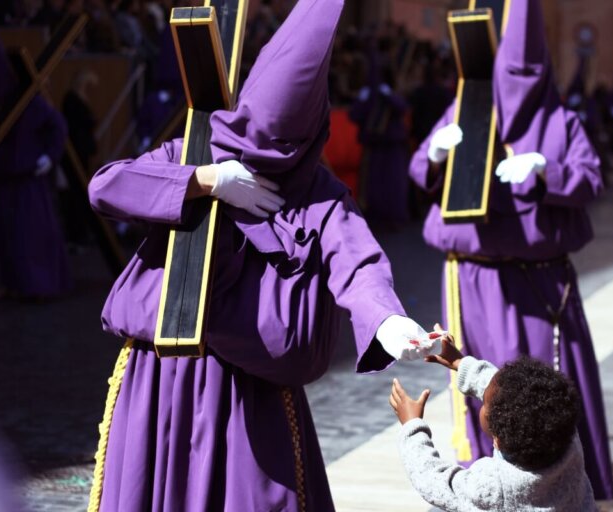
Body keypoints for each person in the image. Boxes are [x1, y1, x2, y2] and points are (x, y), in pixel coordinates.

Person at [87, 1, 434, 510]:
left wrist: (387, 321)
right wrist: (204, 181)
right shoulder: (194, 152)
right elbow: (106, 186)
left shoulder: (319, 193)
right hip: (160, 375)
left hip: (252, 390)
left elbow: (357, 264)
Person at [408, 0, 613, 499]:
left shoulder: (561, 121)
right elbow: (421, 168)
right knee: (478, 377)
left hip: (538, 282)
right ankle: (482, 486)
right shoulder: (468, 108)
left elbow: (590, 178)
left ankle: (555, 483)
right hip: (474, 277)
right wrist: (436, 155)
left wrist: (548, 169)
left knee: (541, 386)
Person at [389, 331, 596, 512]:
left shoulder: (494, 487)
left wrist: (413, 425)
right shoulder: (566, 437)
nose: (483, 399)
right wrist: (462, 364)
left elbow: (433, 480)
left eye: (485, 404)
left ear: (497, 440)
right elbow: (507, 391)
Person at [0, 19, 70, 300]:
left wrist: (48, 156)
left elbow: (55, 125)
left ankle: (40, 285)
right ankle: (15, 284)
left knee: (31, 237)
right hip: (2, 175)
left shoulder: (24, 99)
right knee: (6, 238)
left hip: (26, 176)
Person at [350, 53, 411, 226]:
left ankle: (393, 215)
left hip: (391, 145)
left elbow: (402, 108)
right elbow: (354, 115)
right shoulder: (368, 93)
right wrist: (363, 98)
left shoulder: (389, 92)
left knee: (393, 182)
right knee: (374, 185)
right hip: (374, 146)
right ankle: (375, 215)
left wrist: (388, 95)